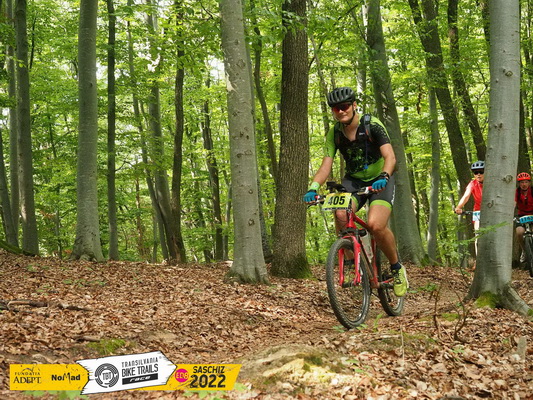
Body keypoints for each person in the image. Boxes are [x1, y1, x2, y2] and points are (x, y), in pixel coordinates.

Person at [302, 86, 408, 297]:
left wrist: (384, 176)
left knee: (375, 225)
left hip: (380, 180)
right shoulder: (334, 133)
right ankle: (353, 263)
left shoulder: (372, 125)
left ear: (354, 105)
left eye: (344, 106)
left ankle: (396, 268)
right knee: (341, 213)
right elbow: (325, 166)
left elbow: (390, 157)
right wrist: (313, 188)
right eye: (336, 108)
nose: (341, 111)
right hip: (354, 181)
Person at [455, 161, 485, 231]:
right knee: (478, 231)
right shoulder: (473, 183)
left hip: (493, 209)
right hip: (478, 210)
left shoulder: (493, 182)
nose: (478, 174)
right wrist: (459, 207)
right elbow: (466, 196)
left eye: (481, 172)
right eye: (476, 172)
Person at [515, 172, 533, 262]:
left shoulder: (532, 191)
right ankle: (524, 251)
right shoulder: (517, 192)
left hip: (532, 213)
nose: (524, 184)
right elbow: (513, 203)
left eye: (526, 182)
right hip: (521, 215)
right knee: (519, 232)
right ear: (519, 183)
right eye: (522, 182)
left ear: (529, 183)